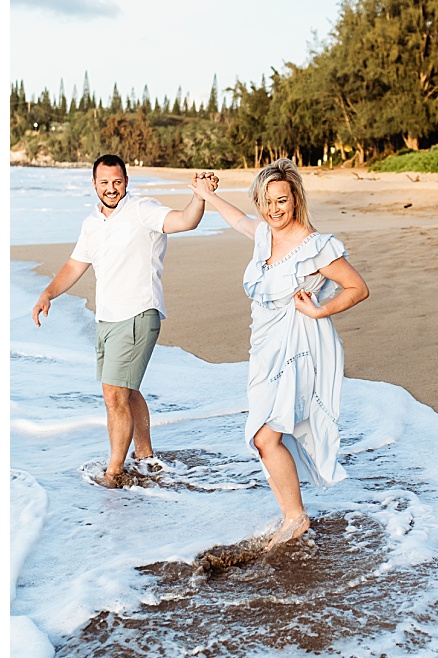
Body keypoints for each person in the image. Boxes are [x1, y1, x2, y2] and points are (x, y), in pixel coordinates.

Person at [190, 159, 369, 549]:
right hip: (264, 351)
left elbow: (357, 287)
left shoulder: (314, 246)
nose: (274, 209)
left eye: (281, 200)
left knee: (265, 435)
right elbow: (239, 221)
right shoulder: (264, 236)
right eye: (267, 201)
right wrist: (208, 195)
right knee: (262, 436)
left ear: (295, 199)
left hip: (299, 349)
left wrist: (319, 309)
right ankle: (293, 513)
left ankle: (296, 516)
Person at [32, 154, 205, 487]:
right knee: (126, 390)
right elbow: (74, 266)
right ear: (94, 184)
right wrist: (48, 294)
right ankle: (145, 457)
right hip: (107, 319)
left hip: (139, 313)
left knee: (113, 394)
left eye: (117, 182)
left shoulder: (142, 210)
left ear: (126, 181)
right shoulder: (92, 223)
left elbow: (185, 220)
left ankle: (114, 471)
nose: (111, 188)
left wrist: (198, 196)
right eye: (104, 182)